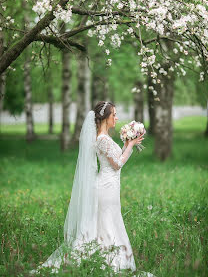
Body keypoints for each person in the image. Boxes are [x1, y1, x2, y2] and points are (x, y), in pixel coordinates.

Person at [30, 101, 155, 276]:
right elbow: (118, 164)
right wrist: (131, 146)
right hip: (106, 187)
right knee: (108, 223)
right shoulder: (102, 139)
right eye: (114, 115)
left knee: (107, 223)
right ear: (105, 118)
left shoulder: (105, 137)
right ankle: (109, 262)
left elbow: (117, 159)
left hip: (109, 185)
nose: (117, 118)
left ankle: (105, 259)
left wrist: (128, 144)